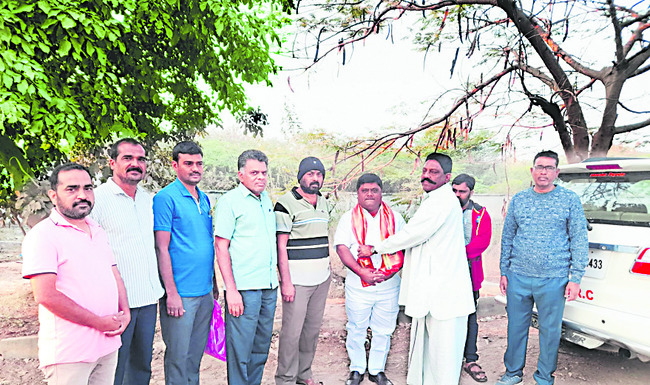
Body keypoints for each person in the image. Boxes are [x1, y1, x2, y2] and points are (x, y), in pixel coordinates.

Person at [358, 153, 475, 385]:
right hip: (432, 292)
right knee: (428, 354)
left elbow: (413, 234)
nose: (427, 176)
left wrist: (375, 249)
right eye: (425, 171)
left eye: (434, 172)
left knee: (443, 358)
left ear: (447, 177)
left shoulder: (442, 200)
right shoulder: (433, 199)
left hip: (445, 294)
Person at [22, 163, 130, 385]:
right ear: (53, 195)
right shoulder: (43, 236)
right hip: (70, 352)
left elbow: (113, 273)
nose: (82, 195)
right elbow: (46, 295)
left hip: (107, 345)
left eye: (88, 188)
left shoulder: (97, 230)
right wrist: (98, 323)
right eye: (72, 189)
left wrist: (125, 311)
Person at [496, 150, 588, 385]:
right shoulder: (519, 199)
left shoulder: (569, 200)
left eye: (549, 168)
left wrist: (575, 278)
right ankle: (513, 373)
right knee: (516, 328)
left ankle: (544, 377)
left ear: (556, 172)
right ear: (532, 171)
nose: (543, 172)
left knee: (550, 332)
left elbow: (579, 238)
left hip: (554, 278)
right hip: (518, 276)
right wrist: (504, 271)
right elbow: (507, 237)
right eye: (539, 167)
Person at [91, 138, 164, 385]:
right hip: (115, 303)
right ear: (112, 163)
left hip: (147, 298)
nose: (136, 164)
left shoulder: (149, 200)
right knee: (115, 369)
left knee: (141, 367)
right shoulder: (97, 199)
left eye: (141, 159)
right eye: (128, 158)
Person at [153, 141, 216, 385]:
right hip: (181, 294)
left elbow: (206, 243)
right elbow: (162, 247)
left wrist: (213, 286)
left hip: (205, 292)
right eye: (188, 163)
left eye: (199, 163)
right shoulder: (165, 198)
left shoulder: (204, 199)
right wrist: (171, 293)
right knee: (178, 358)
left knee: (195, 356)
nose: (195, 168)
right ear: (175, 165)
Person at [334, 173, 406, 385]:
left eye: (374, 190)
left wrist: (388, 273)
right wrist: (361, 272)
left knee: (384, 329)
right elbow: (341, 248)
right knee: (356, 327)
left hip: (389, 284)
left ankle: (376, 370)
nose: (370, 194)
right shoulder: (348, 218)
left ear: (381, 192)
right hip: (358, 284)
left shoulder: (395, 217)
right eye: (365, 190)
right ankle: (356, 369)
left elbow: (402, 248)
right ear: (357, 193)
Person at [215, 149, 278, 385]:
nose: (260, 177)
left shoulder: (266, 200)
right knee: (240, 351)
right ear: (241, 175)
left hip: (269, 286)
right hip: (244, 289)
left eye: (263, 172)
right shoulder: (230, 202)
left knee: (260, 348)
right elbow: (221, 247)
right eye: (254, 172)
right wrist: (231, 290)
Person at [274, 157, 332, 385]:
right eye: (310, 174)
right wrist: (286, 282)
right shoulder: (285, 204)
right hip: (297, 281)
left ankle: (304, 374)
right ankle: (285, 379)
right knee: (292, 333)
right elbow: (281, 245)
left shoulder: (324, 202)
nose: (315, 178)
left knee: (311, 331)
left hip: (321, 279)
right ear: (301, 176)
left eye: (319, 174)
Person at [451, 174, 492, 383]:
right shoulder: (443, 210)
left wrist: (453, 254)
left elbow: (481, 242)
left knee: (470, 316)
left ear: (471, 192)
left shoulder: (480, 214)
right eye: (454, 190)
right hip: (444, 273)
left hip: (468, 272)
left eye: (462, 191)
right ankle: (448, 358)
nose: (458, 195)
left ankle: (470, 359)